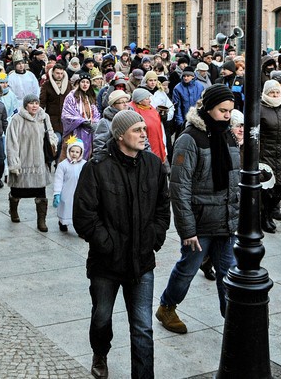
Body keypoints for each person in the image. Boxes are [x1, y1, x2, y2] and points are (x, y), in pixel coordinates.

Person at [73, 109, 170, 379]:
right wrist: (108, 244)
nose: (143, 133)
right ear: (119, 135)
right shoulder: (97, 167)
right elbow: (84, 217)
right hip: (106, 263)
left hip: (142, 261)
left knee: (142, 327)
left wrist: (154, 237)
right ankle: (100, 352)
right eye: (137, 130)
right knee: (102, 317)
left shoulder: (153, 165)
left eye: (144, 128)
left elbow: (163, 207)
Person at [156, 84, 240, 334]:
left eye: (230, 111)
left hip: (225, 220)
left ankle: (233, 319)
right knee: (188, 268)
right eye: (223, 110)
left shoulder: (228, 135)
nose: (227, 115)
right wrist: (187, 230)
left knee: (229, 272)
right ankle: (167, 306)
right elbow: (179, 189)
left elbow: (234, 177)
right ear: (208, 108)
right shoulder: (189, 139)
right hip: (201, 220)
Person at [5, 94, 58, 232]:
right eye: (31, 103)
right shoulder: (17, 119)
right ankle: (13, 209)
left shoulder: (44, 117)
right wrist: (14, 163)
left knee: (41, 193)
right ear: (25, 105)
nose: (35, 106)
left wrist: (52, 142)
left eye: (36, 102)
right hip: (23, 161)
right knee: (17, 191)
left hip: (40, 162)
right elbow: (12, 142)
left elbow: (50, 132)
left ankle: (41, 220)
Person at [259, 79, 281, 233]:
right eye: (272, 92)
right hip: (265, 154)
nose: (275, 95)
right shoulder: (259, 109)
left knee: (280, 188)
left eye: (277, 92)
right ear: (266, 93)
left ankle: (270, 212)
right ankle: (264, 216)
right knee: (267, 189)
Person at [61, 72, 100, 161]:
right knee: (73, 156)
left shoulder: (89, 97)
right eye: (83, 82)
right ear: (79, 83)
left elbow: (96, 113)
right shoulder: (71, 96)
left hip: (88, 132)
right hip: (75, 132)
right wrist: (82, 121)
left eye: (87, 82)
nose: (85, 84)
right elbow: (66, 114)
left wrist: (94, 122)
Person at [52, 136, 85, 233]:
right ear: (68, 151)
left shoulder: (84, 164)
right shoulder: (63, 165)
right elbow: (58, 180)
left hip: (79, 192)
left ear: (81, 153)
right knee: (66, 207)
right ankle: (62, 222)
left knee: (79, 209)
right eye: (72, 151)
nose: (74, 154)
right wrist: (57, 193)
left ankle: (80, 227)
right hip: (67, 191)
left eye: (77, 152)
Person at [131, 87, 167, 167]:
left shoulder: (150, 107)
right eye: (147, 99)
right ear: (139, 101)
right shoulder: (134, 111)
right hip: (147, 147)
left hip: (158, 144)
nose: (150, 101)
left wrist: (163, 117)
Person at [172, 66, 205, 136]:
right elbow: (177, 106)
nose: (185, 78)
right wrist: (180, 122)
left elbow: (202, 103)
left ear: (193, 76)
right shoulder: (177, 88)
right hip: (184, 119)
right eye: (184, 76)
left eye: (188, 76)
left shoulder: (200, 86)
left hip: (197, 119)